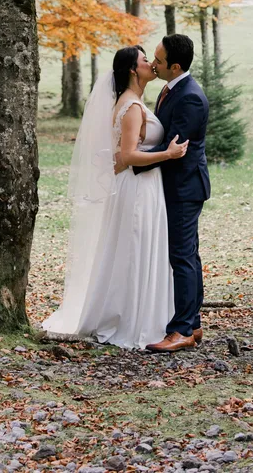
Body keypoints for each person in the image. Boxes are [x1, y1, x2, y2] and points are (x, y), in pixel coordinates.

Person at [42, 44, 189, 350]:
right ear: (133, 70)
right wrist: (169, 153)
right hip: (137, 187)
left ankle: (138, 313)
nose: (151, 63)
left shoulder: (133, 102)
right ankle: (131, 320)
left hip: (141, 185)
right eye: (145, 60)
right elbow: (128, 155)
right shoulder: (132, 106)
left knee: (132, 248)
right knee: (134, 247)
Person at [130, 33, 211, 354]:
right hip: (174, 185)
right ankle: (193, 323)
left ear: (175, 66)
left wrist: (131, 161)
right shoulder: (170, 89)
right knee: (188, 254)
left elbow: (173, 147)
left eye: (159, 61)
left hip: (184, 187)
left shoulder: (190, 97)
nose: (152, 63)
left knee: (182, 257)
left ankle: (181, 330)